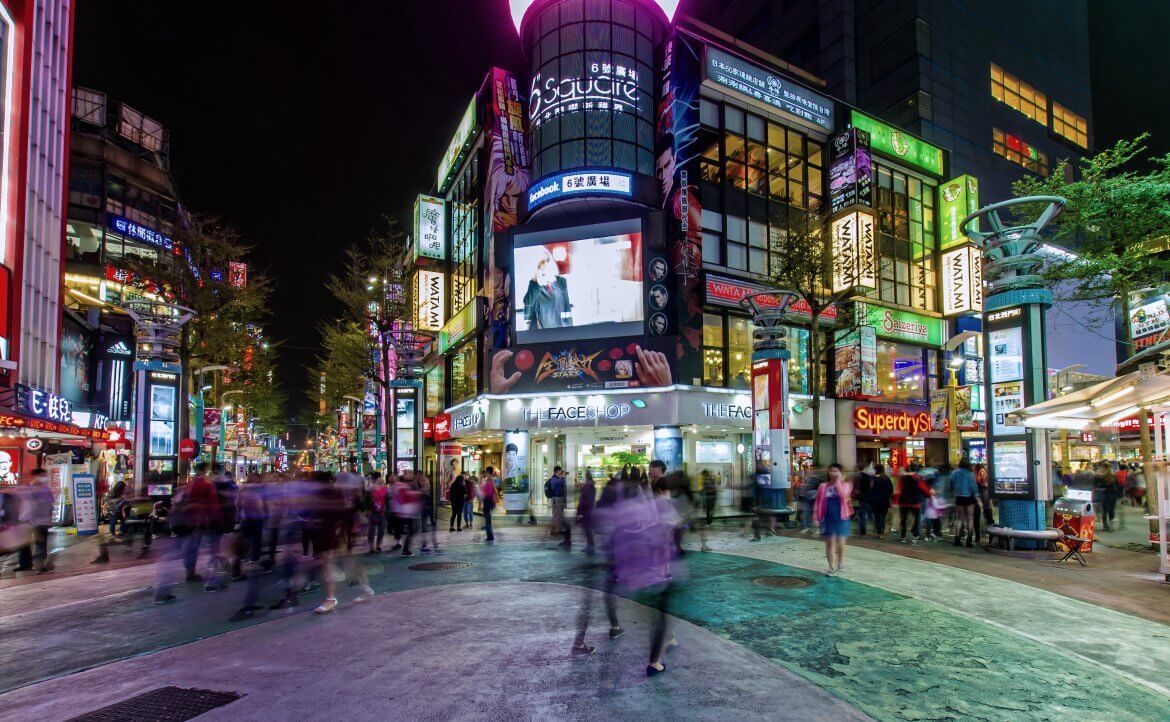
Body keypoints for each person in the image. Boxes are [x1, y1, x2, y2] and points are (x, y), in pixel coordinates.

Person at [814, 464, 852, 575]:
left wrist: (838, 483)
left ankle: (840, 563)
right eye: (830, 471)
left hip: (842, 517)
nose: (832, 473)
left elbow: (844, 495)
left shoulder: (846, 485)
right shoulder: (823, 486)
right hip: (827, 518)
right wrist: (816, 517)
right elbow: (818, 502)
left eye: (835, 471)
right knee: (829, 543)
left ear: (841, 473)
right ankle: (831, 567)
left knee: (841, 542)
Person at [522, 248, 572, 330]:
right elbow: (527, 313)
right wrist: (538, 284)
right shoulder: (534, 285)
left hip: (562, 331)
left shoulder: (561, 282)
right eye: (540, 267)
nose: (544, 270)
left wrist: (570, 328)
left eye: (545, 265)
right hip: (544, 334)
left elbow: (567, 308)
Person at [15, 468, 53, 573]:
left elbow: (49, 506)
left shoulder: (46, 490)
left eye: (44, 476)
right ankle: (25, 564)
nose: (44, 478)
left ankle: (40, 565)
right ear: (35, 476)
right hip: (27, 520)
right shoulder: (27, 489)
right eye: (42, 475)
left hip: (42, 522)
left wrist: (50, 519)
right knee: (23, 543)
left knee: (40, 543)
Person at [897, 469, 932, 545]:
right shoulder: (917, 478)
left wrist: (896, 501)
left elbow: (899, 490)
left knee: (903, 520)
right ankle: (915, 537)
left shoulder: (902, 478)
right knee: (916, 520)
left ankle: (903, 537)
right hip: (914, 502)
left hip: (903, 502)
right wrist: (929, 495)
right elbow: (923, 488)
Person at [951, 459, 979, 547]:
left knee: (960, 519)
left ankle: (957, 539)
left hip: (959, 497)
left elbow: (951, 484)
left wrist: (954, 493)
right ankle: (969, 541)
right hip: (969, 498)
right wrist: (978, 498)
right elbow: (974, 487)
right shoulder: (970, 474)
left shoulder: (954, 473)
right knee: (970, 519)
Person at [866, 464, 894, 538]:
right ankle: (882, 531)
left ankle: (878, 531)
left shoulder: (872, 478)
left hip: (875, 500)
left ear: (876, 470)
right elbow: (891, 490)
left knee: (877, 516)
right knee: (883, 516)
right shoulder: (887, 478)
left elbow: (869, 489)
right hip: (884, 500)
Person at [576, 470, 597, 553]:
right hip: (587, 509)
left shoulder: (589, 485)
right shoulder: (589, 485)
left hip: (587, 509)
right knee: (586, 527)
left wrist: (581, 508)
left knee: (587, 527)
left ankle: (590, 545)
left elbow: (586, 498)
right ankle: (590, 544)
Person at [366, 473, 388, 552]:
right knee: (371, 529)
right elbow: (366, 500)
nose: (382, 482)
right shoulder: (370, 490)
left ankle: (378, 544)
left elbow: (387, 500)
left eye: (382, 481)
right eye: (380, 481)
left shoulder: (385, 489)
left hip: (382, 511)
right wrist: (368, 509)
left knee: (381, 529)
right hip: (373, 512)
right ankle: (371, 546)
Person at [547, 466, 568, 539]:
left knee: (559, 514)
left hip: (559, 498)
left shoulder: (558, 478)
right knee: (556, 514)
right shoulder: (554, 479)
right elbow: (560, 483)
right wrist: (563, 477)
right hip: (556, 498)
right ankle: (555, 530)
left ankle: (558, 529)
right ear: (557, 471)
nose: (561, 472)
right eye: (560, 471)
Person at [479, 471, 496, 544]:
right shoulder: (491, 484)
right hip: (490, 504)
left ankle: (490, 537)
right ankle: (490, 536)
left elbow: (485, 493)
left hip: (487, 503)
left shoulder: (488, 484)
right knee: (488, 520)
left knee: (488, 520)